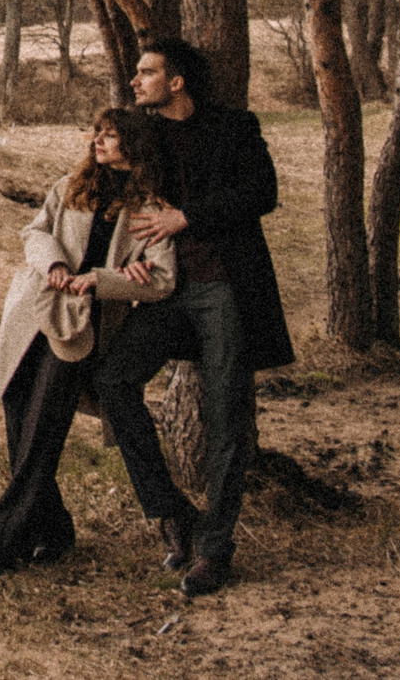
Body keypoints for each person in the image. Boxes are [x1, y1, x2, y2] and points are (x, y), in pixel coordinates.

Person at [92, 36, 295, 598]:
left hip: (223, 288)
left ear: (176, 82)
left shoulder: (235, 128)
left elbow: (262, 193)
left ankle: (215, 549)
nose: (135, 81)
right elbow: (111, 193)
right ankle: (174, 513)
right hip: (163, 289)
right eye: (136, 73)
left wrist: (187, 217)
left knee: (227, 415)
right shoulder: (142, 132)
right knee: (114, 380)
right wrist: (127, 262)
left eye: (146, 73)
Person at [0, 106, 177, 575]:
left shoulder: (150, 210)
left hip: (82, 326)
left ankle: (3, 543)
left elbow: (162, 280)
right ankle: (55, 530)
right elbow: (35, 231)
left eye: (110, 135)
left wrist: (104, 280)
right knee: (18, 414)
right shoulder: (71, 187)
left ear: (134, 145)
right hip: (35, 311)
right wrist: (56, 264)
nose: (98, 141)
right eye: (97, 133)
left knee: (43, 429)